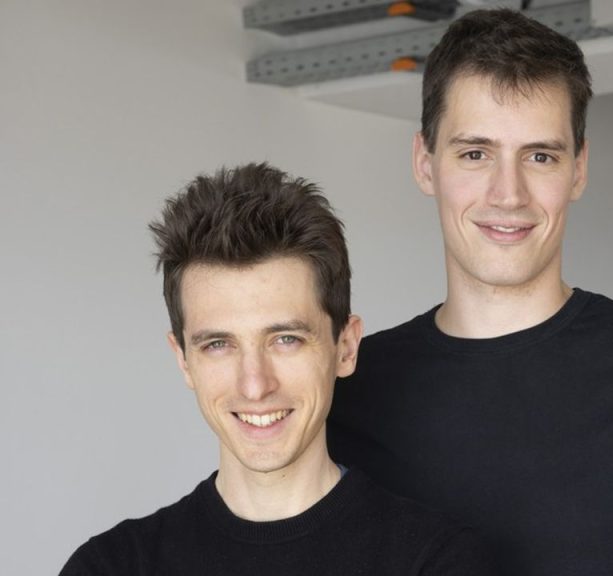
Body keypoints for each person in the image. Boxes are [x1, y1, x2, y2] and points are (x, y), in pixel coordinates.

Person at [327, 9, 613, 576]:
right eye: (475, 154)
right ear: (425, 164)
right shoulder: (349, 391)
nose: (509, 194)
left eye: (540, 156)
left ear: (579, 169)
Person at [61, 163, 495, 575]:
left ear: (346, 347)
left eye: (286, 339)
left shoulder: (436, 561)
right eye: (218, 345)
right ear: (183, 360)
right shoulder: (112, 566)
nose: (255, 385)